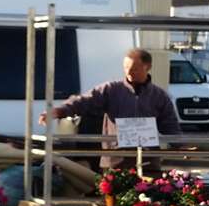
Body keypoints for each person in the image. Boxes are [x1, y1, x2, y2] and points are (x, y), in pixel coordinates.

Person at [39, 47, 181, 140]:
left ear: (147, 67)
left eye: (134, 69)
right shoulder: (111, 89)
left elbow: (170, 125)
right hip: (115, 157)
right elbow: (84, 102)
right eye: (126, 68)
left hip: (148, 158)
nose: (129, 72)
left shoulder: (159, 96)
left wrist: (182, 147)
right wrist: (59, 111)